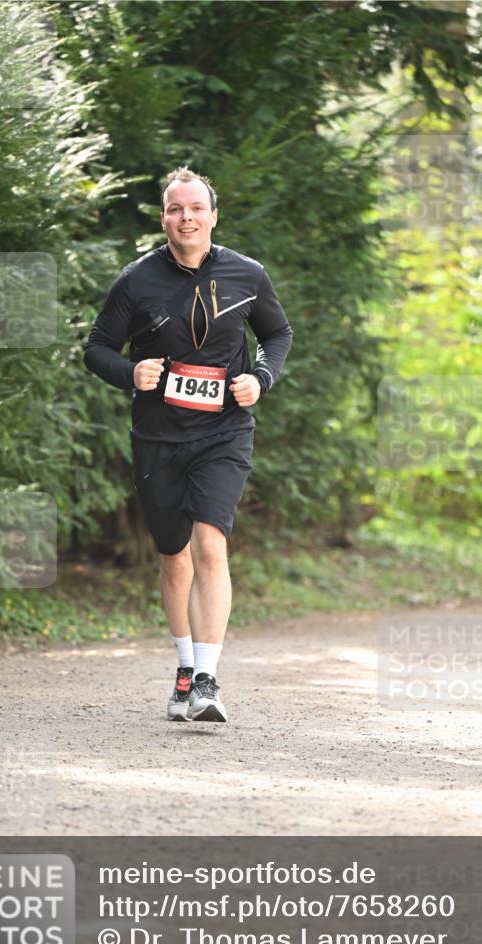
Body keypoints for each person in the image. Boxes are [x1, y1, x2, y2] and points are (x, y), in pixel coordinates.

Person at [83, 166, 293, 723]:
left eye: (196, 208)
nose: (187, 218)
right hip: (157, 436)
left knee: (209, 545)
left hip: (224, 432)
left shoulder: (247, 274)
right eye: (176, 209)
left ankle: (207, 680)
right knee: (174, 557)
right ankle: (183, 669)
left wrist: (262, 377)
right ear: (164, 218)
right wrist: (132, 373)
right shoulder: (136, 280)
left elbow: (277, 334)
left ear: (213, 216)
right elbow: (97, 347)